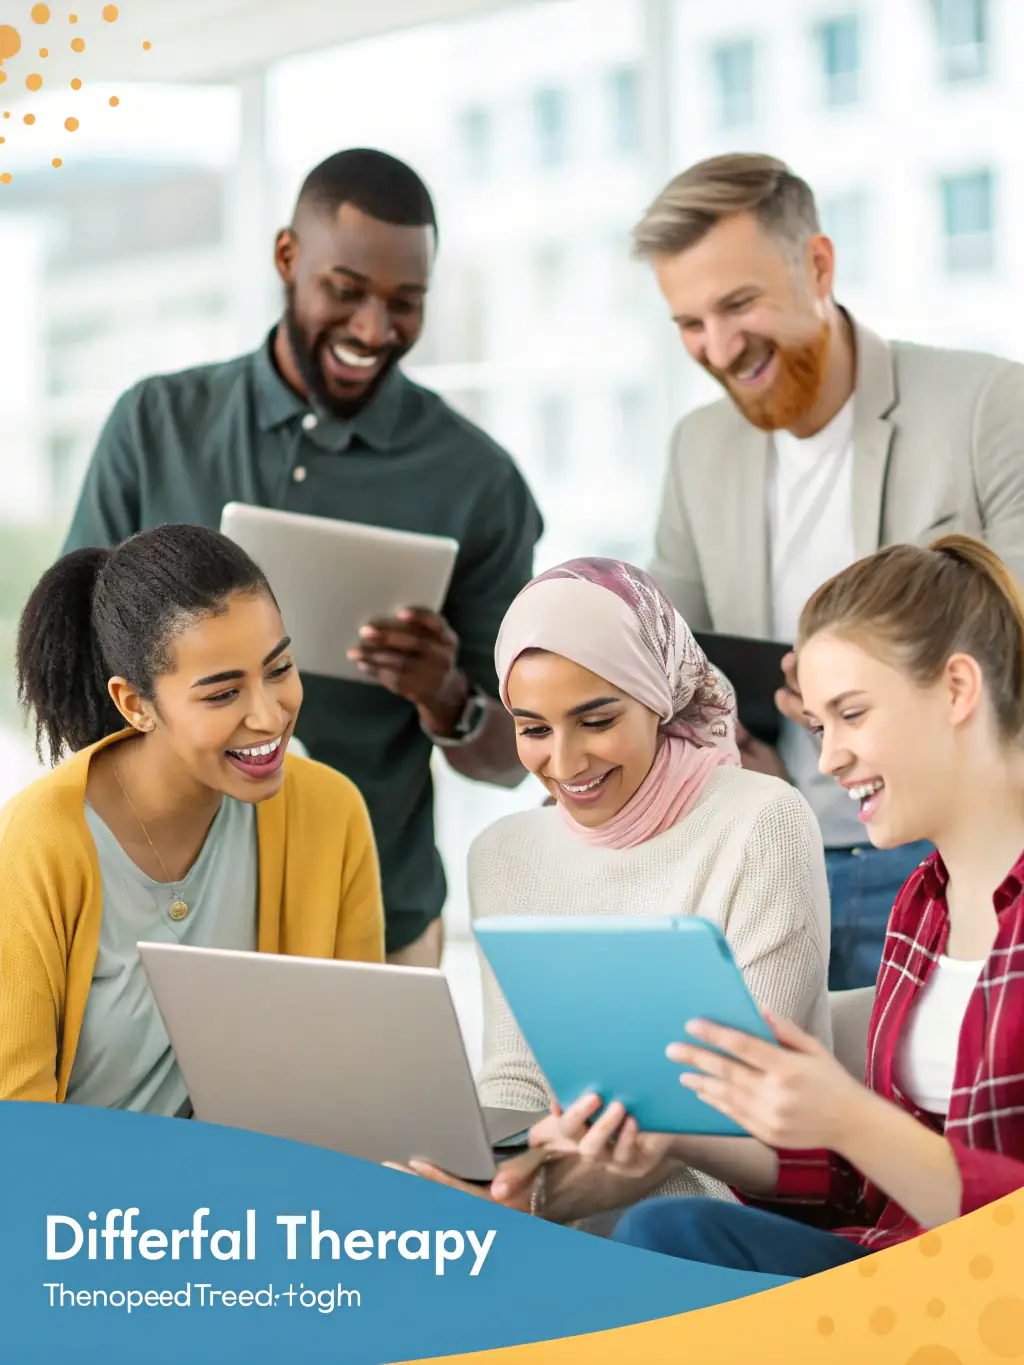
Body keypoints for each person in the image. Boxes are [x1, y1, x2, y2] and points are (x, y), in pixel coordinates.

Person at [62, 148, 542, 968]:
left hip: (372, 916)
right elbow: (68, 667)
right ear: (287, 257)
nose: (373, 331)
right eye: (346, 292)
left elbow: (515, 755)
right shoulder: (154, 425)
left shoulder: (478, 482)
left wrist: (445, 693)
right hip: (152, 906)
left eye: (405, 303)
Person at [502, 534, 1024, 1273]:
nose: (830, 757)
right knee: (669, 1234)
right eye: (818, 727)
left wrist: (850, 1116)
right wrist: (674, 1128)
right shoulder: (923, 905)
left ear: (958, 689)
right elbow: (869, 1189)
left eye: (852, 713)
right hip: (904, 1270)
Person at [634, 152, 1024, 990]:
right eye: (690, 323)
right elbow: (669, 657)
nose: (720, 347)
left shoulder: (988, 403)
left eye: (739, 304)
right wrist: (728, 734)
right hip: (774, 860)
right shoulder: (697, 450)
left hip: (957, 856)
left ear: (818, 265)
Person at [387, 558, 831, 1217]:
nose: (564, 765)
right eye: (534, 729)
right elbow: (516, 1079)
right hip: (554, 1204)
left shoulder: (762, 821)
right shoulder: (505, 852)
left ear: (658, 697)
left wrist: (533, 1200)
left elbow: (738, 1105)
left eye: (596, 721)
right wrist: (457, 1167)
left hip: (711, 1219)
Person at [0, 524, 384, 1108]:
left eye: (278, 670)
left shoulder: (331, 813)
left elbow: (361, 1071)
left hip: (258, 1190)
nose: (268, 715)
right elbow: (16, 1128)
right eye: (222, 693)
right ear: (136, 704)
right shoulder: (38, 843)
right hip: (75, 1194)